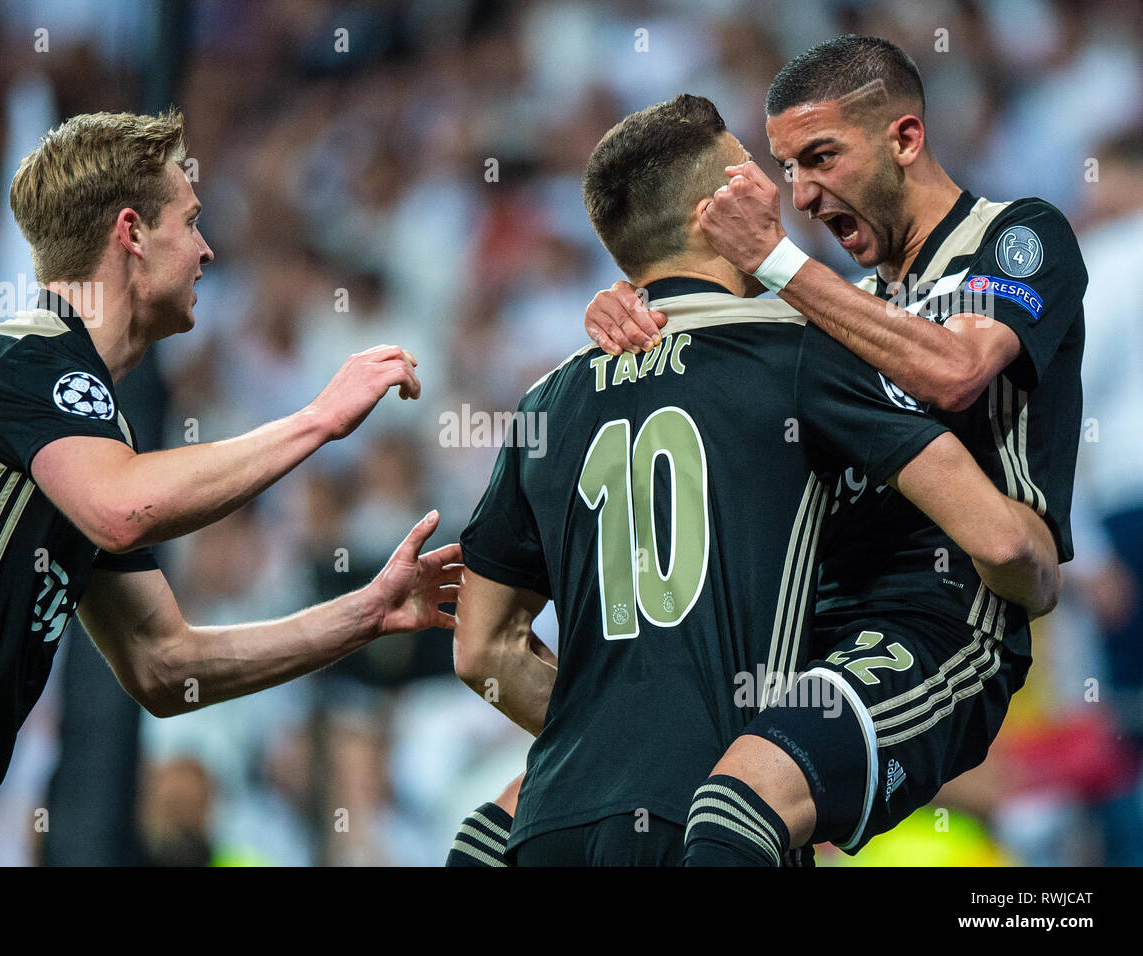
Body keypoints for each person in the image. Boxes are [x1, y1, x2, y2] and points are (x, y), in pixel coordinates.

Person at [446, 94, 1059, 867]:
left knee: (481, 833)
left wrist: (610, 745)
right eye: (763, 175)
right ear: (723, 207)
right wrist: (1036, 566)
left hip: (556, 817)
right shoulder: (802, 349)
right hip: (719, 815)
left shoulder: (546, 398)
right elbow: (997, 527)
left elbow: (480, 652)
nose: (788, 194)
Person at [0, 109, 461, 867]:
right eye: (192, 221)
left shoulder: (84, 441)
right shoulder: (24, 356)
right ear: (131, 232)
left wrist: (366, 612)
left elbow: (167, 667)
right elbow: (123, 509)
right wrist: (319, 420)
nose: (206, 249)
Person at [582, 35, 1085, 863]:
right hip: (799, 631)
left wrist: (774, 264)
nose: (803, 196)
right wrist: (636, 318)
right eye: (787, 169)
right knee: (557, 797)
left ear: (906, 138)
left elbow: (956, 371)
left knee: (736, 809)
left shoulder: (1017, 234)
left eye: (821, 158)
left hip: (941, 618)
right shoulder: (843, 309)